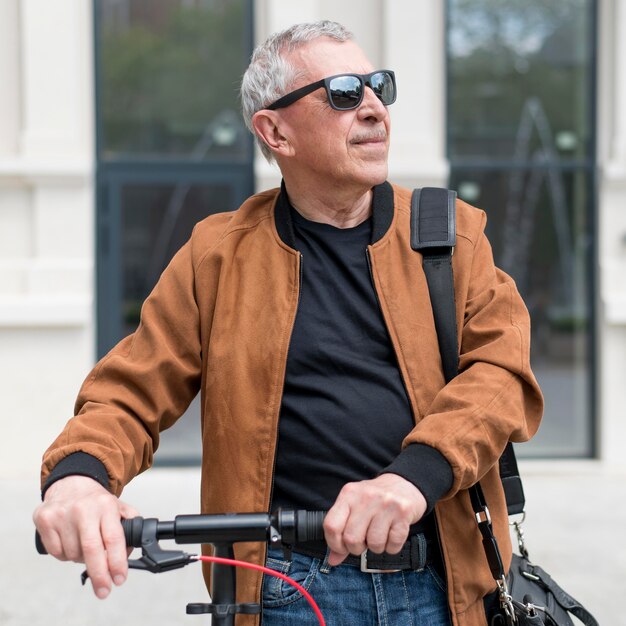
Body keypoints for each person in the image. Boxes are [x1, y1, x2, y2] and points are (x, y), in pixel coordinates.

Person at [33, 20, 543, 626]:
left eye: (380, 86)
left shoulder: (451, 234)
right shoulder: (217, 255)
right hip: (285, 588)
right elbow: (130, 392)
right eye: (345, 92)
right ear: (275, 131)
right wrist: (79, 478)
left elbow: (503, 373)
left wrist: (413, 477)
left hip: (444, 581)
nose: (376, 108)